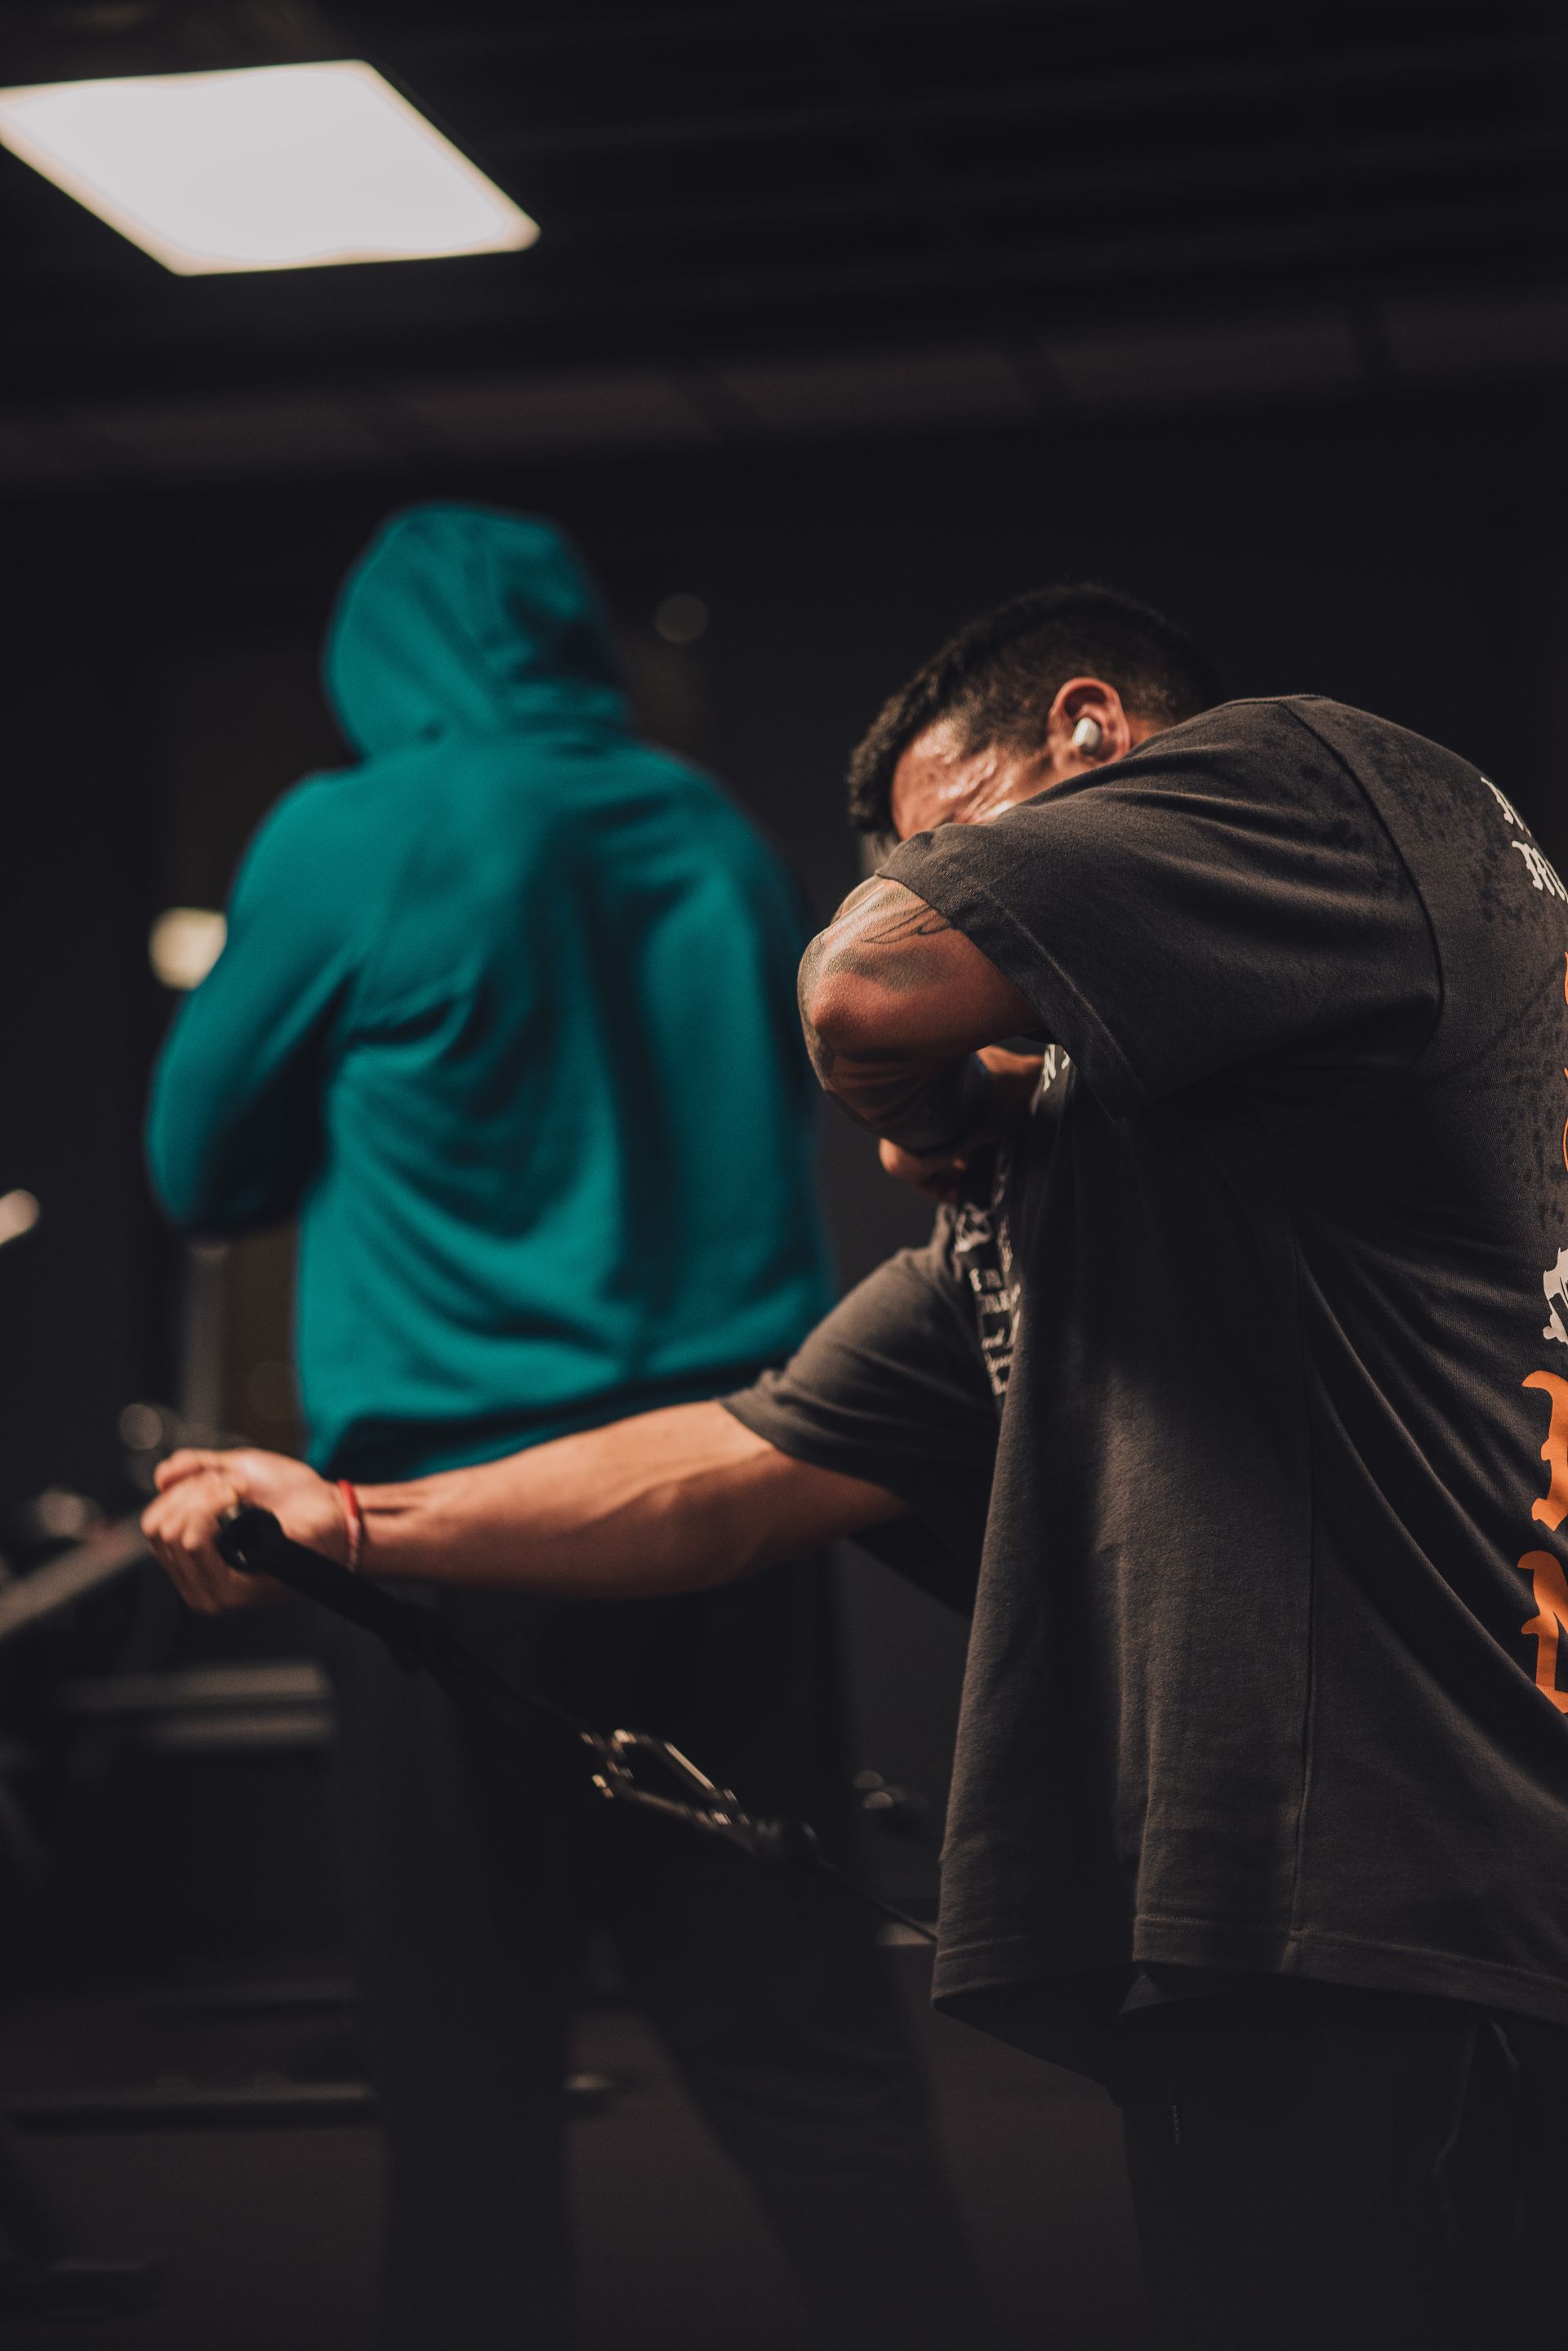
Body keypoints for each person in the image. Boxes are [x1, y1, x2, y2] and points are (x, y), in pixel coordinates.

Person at [145, 580, 1568, 2350]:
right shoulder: (1104, 1173)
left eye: (952, 839)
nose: (950, 897)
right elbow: (735, 1468)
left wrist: (939, 1099)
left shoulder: (1297, 773)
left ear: (1092, 736)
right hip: (1254, 1930)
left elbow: (868, 985)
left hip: (1409, 1892)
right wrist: (353, 1519)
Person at [143, 503, 991, 2351]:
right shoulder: (707, 830)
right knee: (808, 2043)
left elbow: (201, 1168)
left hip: (444, 1532)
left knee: (466, 2069)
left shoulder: (354, 832)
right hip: (727, 1486)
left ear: (380, 661)